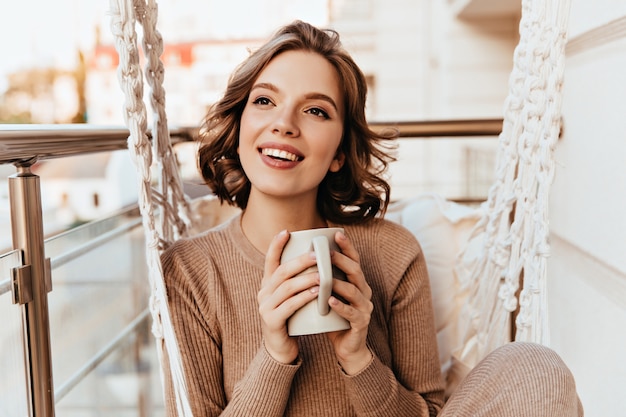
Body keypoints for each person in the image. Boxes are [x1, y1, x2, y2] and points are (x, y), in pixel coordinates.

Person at [161, 20, 583, 417]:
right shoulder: (189, 271)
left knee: (532, 366)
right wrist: (275, 355)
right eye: (265, 101)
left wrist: (359, 357)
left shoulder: (392, 252)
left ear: (340, 153)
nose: (284, 124)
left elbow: (431, 411)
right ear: (239, 126)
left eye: (316, 111)